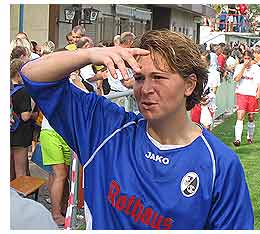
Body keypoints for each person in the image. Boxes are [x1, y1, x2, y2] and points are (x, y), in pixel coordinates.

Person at [20, 29, 253, 229]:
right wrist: (90, 54)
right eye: (140, 78)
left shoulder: (220, 164)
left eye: (159, 77)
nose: (146, 89)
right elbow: (32, 75)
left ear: (189, 85)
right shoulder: (105, 128)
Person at [11, 59, 34, 179]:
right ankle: (19, 196)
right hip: (20, 134)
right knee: (21, 172)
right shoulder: (23, 91)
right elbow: (25, 116)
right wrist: (33, 114)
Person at [233, 50, 260, 146]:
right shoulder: (239, 67)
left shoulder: (256, 68)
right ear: (243, 59)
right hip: (241, 93)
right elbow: (236, 79)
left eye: (248, 58)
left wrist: (258, 92)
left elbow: (258, 82)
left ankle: (250, 137)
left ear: (251, 59)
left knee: (251, 117)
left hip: (252, 94)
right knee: (240, 115)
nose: (247, 60)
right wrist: (243, 68)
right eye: (245, 58)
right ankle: (238, 139)